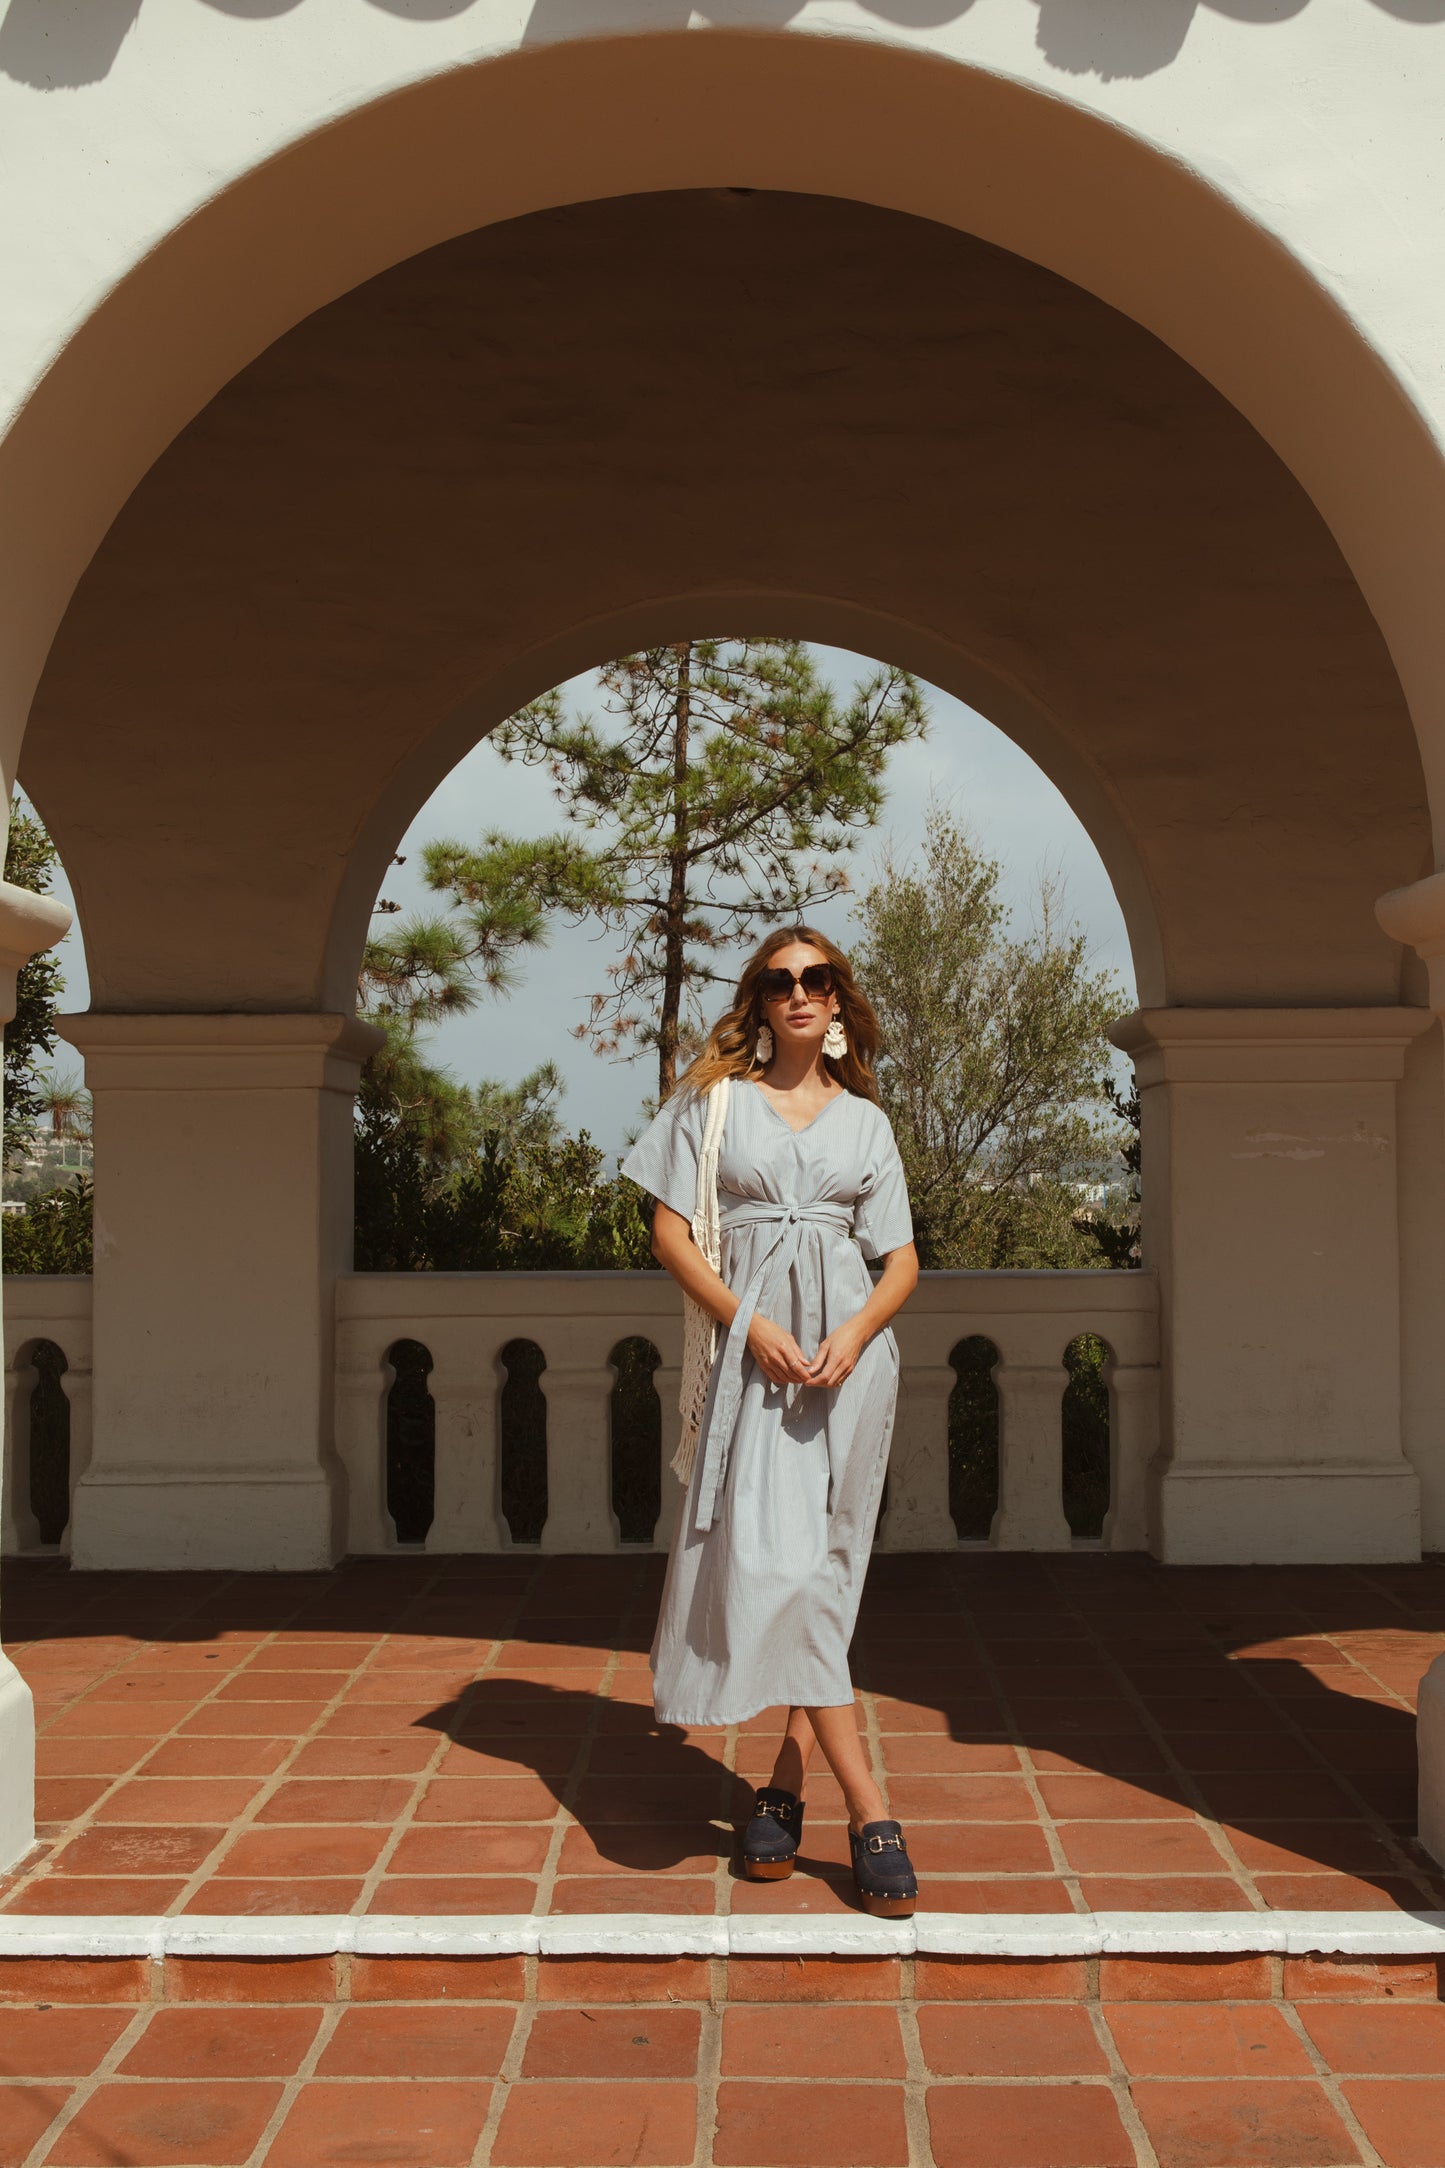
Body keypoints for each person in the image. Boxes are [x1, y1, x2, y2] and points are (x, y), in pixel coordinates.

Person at [621, 927, 921, 1917]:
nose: (799, 992)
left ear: (838, 1002)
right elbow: (668, 1231)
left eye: (817, 978)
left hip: (845, 1372)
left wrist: (852, 1334)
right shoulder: (713, 1106)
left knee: (821, 1579)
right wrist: (747, 1327)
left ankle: (784, 1789)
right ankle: (868, 1805)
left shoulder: (866, 1124)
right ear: (759, 998)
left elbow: (901, 1263)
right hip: (756, 1367)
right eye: (780, 979)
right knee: (782, 1569)